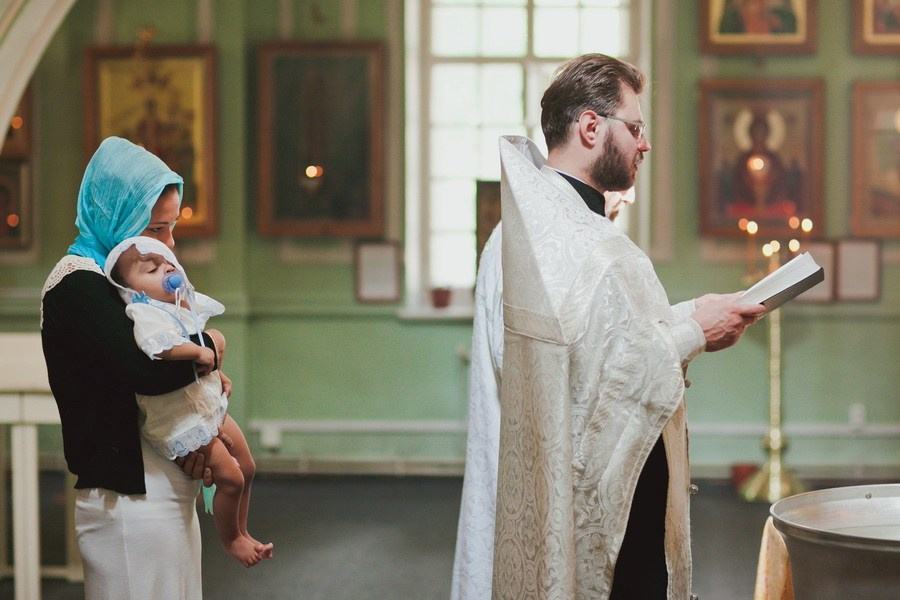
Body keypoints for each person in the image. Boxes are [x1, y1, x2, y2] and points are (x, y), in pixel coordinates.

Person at [451, 54, 765, 599]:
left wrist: (693, 312)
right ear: (591, 126)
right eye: (636, 128)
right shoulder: (580, 242)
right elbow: (600, 388)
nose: (644, 145)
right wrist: (696, 333)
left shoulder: (526, 229)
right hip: (600, 516)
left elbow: (600, 342)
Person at [41, 136, 225, 598]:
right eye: (156, 230)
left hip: (160, 483)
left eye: (171, 228)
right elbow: (148, 372)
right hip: (128, 499)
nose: (168, 245)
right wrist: (214, 348)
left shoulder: (121, 279)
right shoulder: (77, 283)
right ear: (116, 218)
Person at [104, 235, 272, 567]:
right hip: (183, 419)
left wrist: (214, 361)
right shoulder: (143, 311)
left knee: (248, 467)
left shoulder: (175, 306)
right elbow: (160, 346)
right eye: (151, 269)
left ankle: (243, 529)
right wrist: (199, 349)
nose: (165, 268)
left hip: (204, 403)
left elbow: (205, 347)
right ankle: (231, 540)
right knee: (231, 478)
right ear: (131, 289)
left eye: (168, 262)